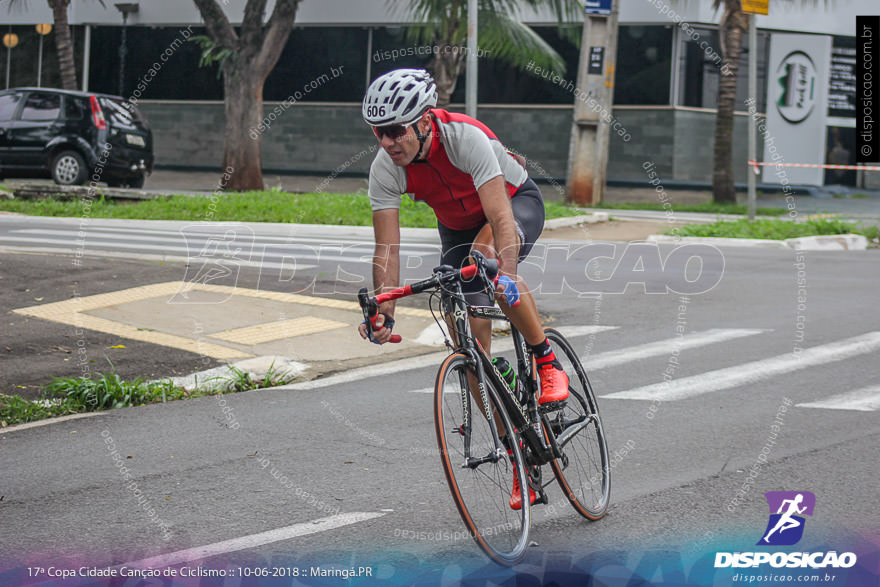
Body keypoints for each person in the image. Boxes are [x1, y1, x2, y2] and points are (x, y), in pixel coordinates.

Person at [356, 68, 567, 509]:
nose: (388, 142)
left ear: (424, 121)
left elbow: (500, 218)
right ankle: (517, 450)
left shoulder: (465, 139)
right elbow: (387, 249)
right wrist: (383, 309)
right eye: (379, 133)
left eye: (396, 131)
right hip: (456, 230)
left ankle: (546, 360)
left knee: (485, 267)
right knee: (464, 331)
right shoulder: (384, 168)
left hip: (511, 206)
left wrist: (503, 274)